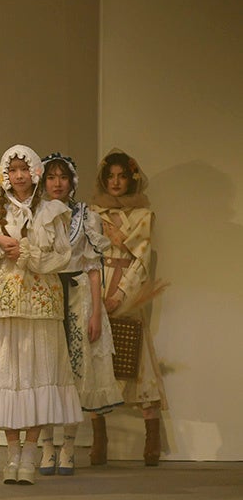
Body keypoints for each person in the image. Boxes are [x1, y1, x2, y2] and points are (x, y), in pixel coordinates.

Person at [0, 145, 82, 484]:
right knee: (7, 377)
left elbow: (63, 256)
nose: (18, 175)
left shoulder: (51, 211)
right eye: (12, 170)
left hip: (41, 304)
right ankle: (12, 453)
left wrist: (27, 252)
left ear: (34, 173)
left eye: (23, 169)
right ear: (5, 175)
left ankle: (30, 453)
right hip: (5, 305)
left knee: (38, 374)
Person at [36, 153, 123, 475]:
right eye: (51, 177)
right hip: (46, 295)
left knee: (75, 374)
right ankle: (47, 446)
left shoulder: (86, 216)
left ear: (72, 181)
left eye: (62, 177)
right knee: (45, 373)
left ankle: (69, 446)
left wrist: (96, 312)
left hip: (78, 295)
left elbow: (94, 266)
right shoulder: (36, 215)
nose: (57, 183)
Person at [90, 149, 168, 466]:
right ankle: (99, 439)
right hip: (98, 286)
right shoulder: (93, 213)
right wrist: (96, 297)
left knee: (137, 361)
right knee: (97, 363)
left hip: (127, 292)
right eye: (111, 176)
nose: (116, 182)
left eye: (122, 176)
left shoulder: (143, 216)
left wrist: (120, 295)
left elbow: (141, 260)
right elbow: (88, 255)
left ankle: (152, 439)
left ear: (132, 178)